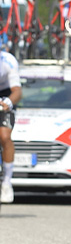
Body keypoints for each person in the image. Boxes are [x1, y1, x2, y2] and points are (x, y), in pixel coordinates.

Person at [0, 50, 22, 204]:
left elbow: (17, 91)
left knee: (4, 136)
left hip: (6, 94)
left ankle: (7, 182)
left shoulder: (8, 61)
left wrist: (8, 102)